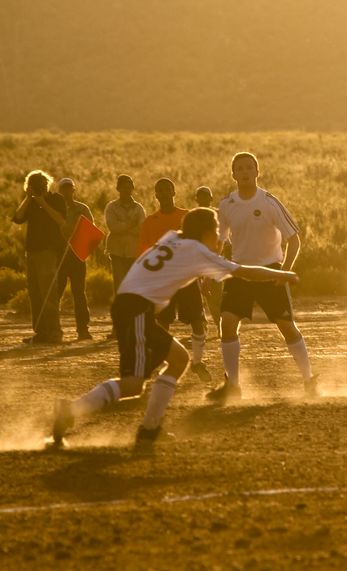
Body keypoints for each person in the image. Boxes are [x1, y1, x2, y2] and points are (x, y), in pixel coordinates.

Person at [48, 208, 298, 450]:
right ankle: (72, 410)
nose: (219, 235)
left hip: (132, 305)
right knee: (133, 383)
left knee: (179, 359)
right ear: (204, 231)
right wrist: (283, 274)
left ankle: (150, 430)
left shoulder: (173, 238)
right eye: (216, 229)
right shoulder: (197, 249)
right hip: (136, 307)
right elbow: (243, 272)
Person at [207, 152, 316, 402]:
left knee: (287, 327)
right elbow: (219, 242)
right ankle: (232, 385)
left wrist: (284, 271)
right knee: (227, 323)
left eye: (249, 168)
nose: (245, 172)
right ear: (233, 174)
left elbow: (294, 238)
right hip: (239, 273)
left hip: (270, 272)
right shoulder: (226, 205)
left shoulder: (269, 202)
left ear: (258, 172)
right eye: (240, 168)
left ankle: (309, 380)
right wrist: (209, 273)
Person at [137, 178, 211, 383]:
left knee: (197, 320)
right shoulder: (150, 222)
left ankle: (197, 362)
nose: (164, 193)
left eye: (168, 189)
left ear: (174, 192)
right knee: (162, 323)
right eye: (160, 190)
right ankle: (157, 362)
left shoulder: (186, 216)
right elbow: (143, 253)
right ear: (156, 195)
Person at [12, 170, 67, 344]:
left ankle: (55, 332)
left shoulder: (56, 199)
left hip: (48, 252)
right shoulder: (31, 203)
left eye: (40, 184)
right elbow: (18, 217)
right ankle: (41, 333)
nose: (38, 187)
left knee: (48, 293)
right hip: (32, 252)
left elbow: (60, 220)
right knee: (35, 294)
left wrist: (43, 202)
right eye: (33, 185)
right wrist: (29, 198)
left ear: (47, 183)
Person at [55, 178, 94, 341]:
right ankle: (53, 328)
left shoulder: (82, 208)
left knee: (79, 293)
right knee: (56, 292)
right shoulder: (55, 209)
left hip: (77, 255)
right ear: (60, 191)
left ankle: (83, 330)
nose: (67, 192)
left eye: (69, 188)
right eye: (64, 189)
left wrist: (76, 236)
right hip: (59, 255)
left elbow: (90, 229)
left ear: (73, 190)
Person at [104, 174, 145, 294]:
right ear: (118, 188)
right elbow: (113, 227)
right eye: (123, 187)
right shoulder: (111, 207)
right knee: (119, 281)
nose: (126, 190)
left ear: (132, 189)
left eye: (129, 187)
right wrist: (131, 225)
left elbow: (141, 229)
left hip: (134, 251)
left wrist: (122, 226)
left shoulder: (139, 208)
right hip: (117, 251)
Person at [194, 185, 223, 333]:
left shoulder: (218, 214)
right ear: (196, 199)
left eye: (206, 196)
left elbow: (223, 239)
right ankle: (205, 324)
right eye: (201, 196)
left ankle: (220, 325)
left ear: (211, 199)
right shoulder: (193, 216)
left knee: (215, 294)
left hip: (216, 256)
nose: (203, 199)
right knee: (203, 295)